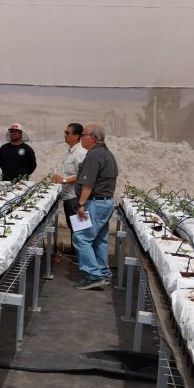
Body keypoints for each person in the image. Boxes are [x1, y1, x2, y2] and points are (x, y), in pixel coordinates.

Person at [72, 123, 118, 290]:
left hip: (94, 203)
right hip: (105, 202)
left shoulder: (94, 155)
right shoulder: (107, 154)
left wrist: (81, 204)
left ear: (92, 138)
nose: (80, 138)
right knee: (99, 240)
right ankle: (103, 273)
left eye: (83, 135)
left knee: (81, 238)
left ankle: (93, 275)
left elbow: (88, 183)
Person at [51, 123, 86, 254]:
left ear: (77, 136)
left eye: (67, 133)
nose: (64, 135)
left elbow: (83, 174)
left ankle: (81, 257)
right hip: (69, 195)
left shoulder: (80, 152)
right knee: (73, 226)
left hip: (75, 196)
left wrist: (64, 180)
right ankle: (75, 252)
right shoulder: (72, 151)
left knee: (79, 228)